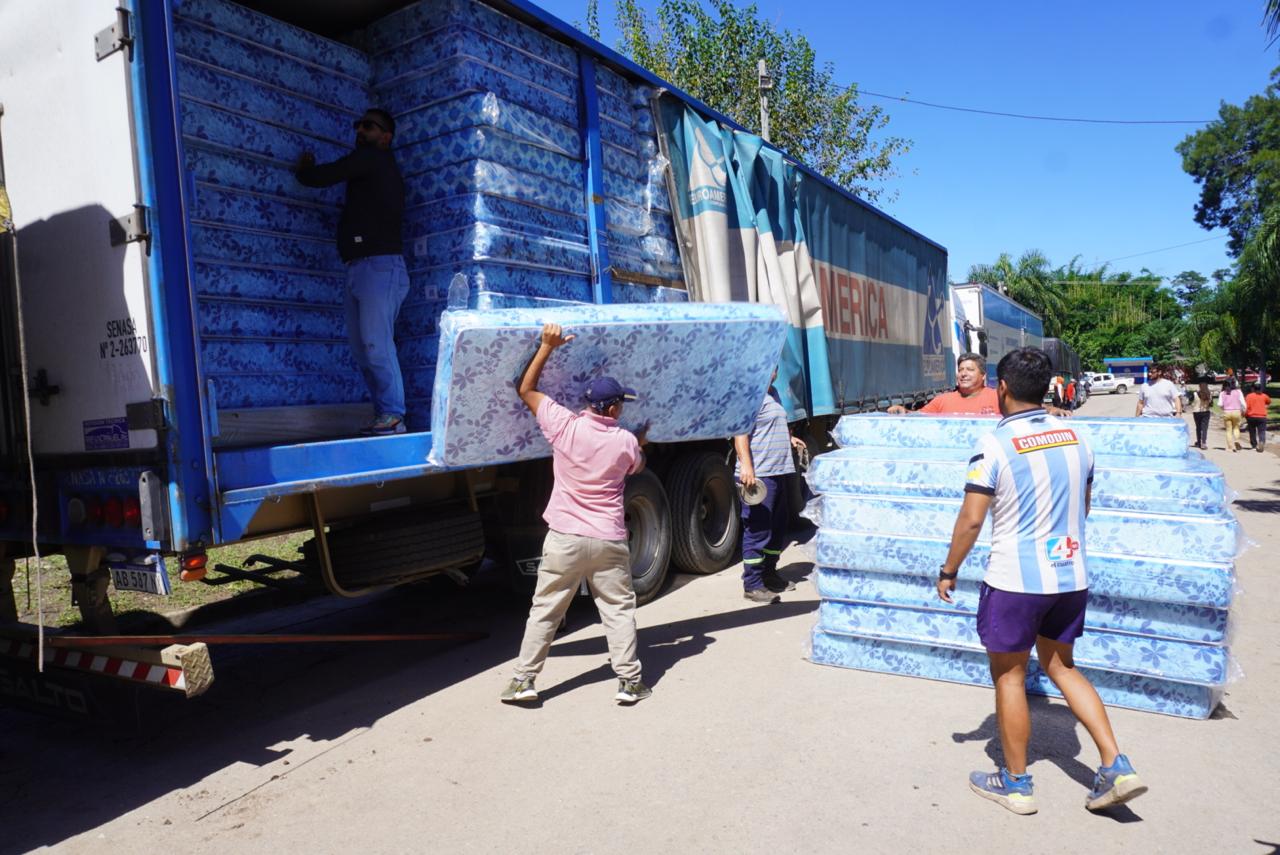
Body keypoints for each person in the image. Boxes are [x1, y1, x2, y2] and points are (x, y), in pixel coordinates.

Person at [938, 347, 1147, 816]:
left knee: (1010, 676)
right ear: (1050, 387)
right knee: (1062, 667)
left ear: (1003, 389)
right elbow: (1084, 505)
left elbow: (972, 521)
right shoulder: (1079, 437)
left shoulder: (994, 445)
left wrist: (949, 570)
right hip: (1071, 575)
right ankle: (1116, 763)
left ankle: (1015, 784)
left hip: (1015, 580)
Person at [501, 323, 652, 705]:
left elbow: (526, 390)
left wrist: (546, 346)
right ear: (615, 408)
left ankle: (523, 680)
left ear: (588, 404)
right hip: (607, 539)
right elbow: (637, 463)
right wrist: (640, 442)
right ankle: (629, 683)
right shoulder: (625, 443)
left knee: (546, 611)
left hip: (565, 538)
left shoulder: (563, 425)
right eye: (621, 404)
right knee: (617, 611)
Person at [296, 108, 409, 436]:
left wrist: (305, 173)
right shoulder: (368, 165)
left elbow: (329, 173)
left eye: (369, 126)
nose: (360, 130)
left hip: (380, 266)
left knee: (376, 343)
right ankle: (384, 415)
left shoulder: (374, 159)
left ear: (385, 138)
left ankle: (394, 414)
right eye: (358, 125)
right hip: (360, 267)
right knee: (362, 349)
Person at [735, 370, 807, 604]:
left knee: (777, 526)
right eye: (771, 365)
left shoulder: (773, 393)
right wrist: (746, 465)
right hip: (759, 476)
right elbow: (740, 433)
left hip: (778, 471)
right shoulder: (750, 394)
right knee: (757, 529)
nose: (775, 370)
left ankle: (770, 574)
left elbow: (771, 425)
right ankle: (753, 583)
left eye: (777, 366)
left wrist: (789, 439)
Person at [887, 353, 1000, 416]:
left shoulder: (998, 397)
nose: (963, 374)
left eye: (970, 370)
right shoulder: (942, 400)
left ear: (983, 375)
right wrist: (904, 411)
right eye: (960, 370)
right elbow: (919, 417)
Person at [1219, 378, 1246, 452]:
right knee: (1236, 428)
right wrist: (1243, 411)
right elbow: (1243, 403)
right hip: (1237, 412)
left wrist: (1224, 409)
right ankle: (1236, 440)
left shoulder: (1222, 393)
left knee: (1228, 430)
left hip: (1227, 412)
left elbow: (1220, 404)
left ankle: (1230, 447)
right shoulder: (1238, 392)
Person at [1244, 382, 1271, 452]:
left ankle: (1254, 445)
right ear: (1260, 388)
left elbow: (1246, 407)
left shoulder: (1249, 396)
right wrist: (1265, 407)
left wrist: (1245, 415)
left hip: (1251, 416)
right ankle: (1261, 441)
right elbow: (1269, 402)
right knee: (1262, 431)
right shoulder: (1264, 396)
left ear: (1253, 388)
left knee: (1252, 431)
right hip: (1262, 416)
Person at [1190, 381, 1213, 450]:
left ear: (1199, 386)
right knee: (1205, 428)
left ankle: (1199, 442)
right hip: (1206, 412)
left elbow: (1190, 400)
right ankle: (1204, 442)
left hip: (1196, 412)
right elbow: (1211, 404)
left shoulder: (1195, 394)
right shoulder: (1209, 394)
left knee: (1198, 427)